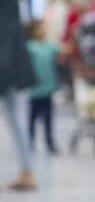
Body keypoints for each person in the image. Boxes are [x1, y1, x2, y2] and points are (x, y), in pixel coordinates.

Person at [0, 0, 37, 191]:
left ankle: (27, 170)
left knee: (13, 116)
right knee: (14, 116)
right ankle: (27, 169)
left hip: (6, 65)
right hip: (9, 64)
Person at [24, 18, 61, 155]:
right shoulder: (29, 47)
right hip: (34, 89)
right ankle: (30, 142)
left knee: (48, 119)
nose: (43, 30)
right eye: (40, 28)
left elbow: (64, 49)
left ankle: (50, 142)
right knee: (32, 118)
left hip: (48, 88)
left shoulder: (49, 46)